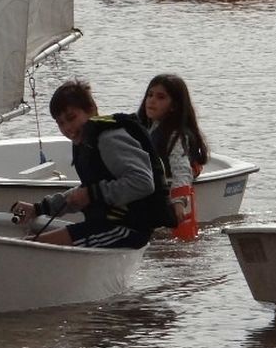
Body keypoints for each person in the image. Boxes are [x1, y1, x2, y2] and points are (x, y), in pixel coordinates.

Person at [11, 80, 173, 248]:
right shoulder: (87, 141)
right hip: (104, 226)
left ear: (92, 110)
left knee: (31, 246)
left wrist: (92, 194)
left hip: (126, 229)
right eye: (60, 123)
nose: (67, 128)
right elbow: (84, 192)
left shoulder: (109, 139)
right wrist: (39, 209)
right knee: (30, 242)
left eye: (71, 118)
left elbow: (143, 182)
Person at [138, 74, 210, 230]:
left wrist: (178, 201)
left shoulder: (176, 136)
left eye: (160, 97)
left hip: (165, 191)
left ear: (174, 106)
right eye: (149, 95)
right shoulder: (147, 129)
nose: (152, 100)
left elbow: (182, 169)